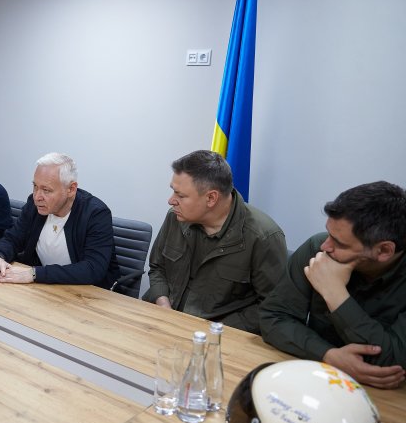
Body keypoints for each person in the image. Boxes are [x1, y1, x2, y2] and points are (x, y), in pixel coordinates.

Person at [259, 181, 406, 390]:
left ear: (383, 251)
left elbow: (393, 361)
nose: (325, 246)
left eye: (340, 243)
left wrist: (335, 294)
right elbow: (273, 317)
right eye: (328, 233)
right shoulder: (317, 250)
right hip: (313, 378)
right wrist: (328, 355)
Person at [142, 150, 287, 334]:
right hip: (161, 321)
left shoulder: (263, 237)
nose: (171, 201)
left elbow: (271, 308)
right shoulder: (176, 218)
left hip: (218, 338)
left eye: (180, 195)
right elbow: (157, 267)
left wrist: (212, 330)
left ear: (211, 198)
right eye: (172, 191)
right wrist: (163, 303)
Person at [0, 153, 119, 288]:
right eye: (35, 186)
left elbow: (93, 269)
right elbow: (12, 238)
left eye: (46, 190)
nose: (37, 196)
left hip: (89, 293)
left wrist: (34, 274)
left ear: (71, 189)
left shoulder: (96, 214)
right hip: (46, 287)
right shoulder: (34, 204)